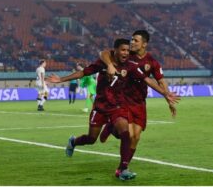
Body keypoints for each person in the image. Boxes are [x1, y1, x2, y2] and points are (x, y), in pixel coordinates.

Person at [46, 38, 179, 180]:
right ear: (115, 51)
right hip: (101, 107)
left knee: (125, 133)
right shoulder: (103, 63)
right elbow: (83, 72)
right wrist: (61, 79)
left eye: (128, 50)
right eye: (123, 50)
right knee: (91, 139)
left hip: (117, 107)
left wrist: (165, 93)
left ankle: (123, 169)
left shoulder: (130, 66)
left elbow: (147, 80)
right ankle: (73, 142)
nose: (126, 53)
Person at [99, 30, 175, 167]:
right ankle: (122, 167)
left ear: (144, 44)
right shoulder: (126, 55)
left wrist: (168, 98)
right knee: (127, 134)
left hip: (139, 102)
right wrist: (109, 64)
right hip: (123, 99)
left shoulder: (152, 62)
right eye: (132, 39)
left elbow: (160, 80)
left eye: (135, 40)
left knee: (136, 137)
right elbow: (105, 53)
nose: (132, 42)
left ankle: (123, 166)